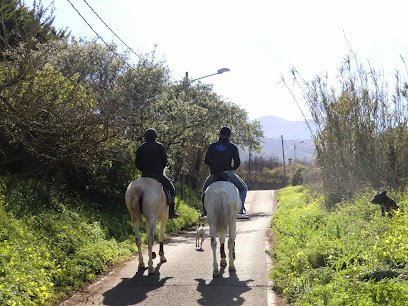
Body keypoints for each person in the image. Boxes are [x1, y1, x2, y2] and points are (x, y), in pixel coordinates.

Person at [200, 126, 248, 220]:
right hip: (228, 174)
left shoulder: (212, 146)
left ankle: (205, 212)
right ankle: (240, 210)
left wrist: (213, 168)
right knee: (243, 188)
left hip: (214, 174)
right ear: (229, 136)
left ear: (220, 134)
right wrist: (231, 169)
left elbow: (206, 160)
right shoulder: (233, 147)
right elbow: (237, 162)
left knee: (205, 190)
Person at [135, 128, 179, 219]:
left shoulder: (141, 147)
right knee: (171, 189)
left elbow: (137, 163)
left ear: (145, 137)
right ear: (155, 137)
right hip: (157, 175)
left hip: (144, 175)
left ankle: (136, 210)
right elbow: (165, 161)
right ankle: (171, 212)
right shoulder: (159, 147)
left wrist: (143, 169)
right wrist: (159, 169)